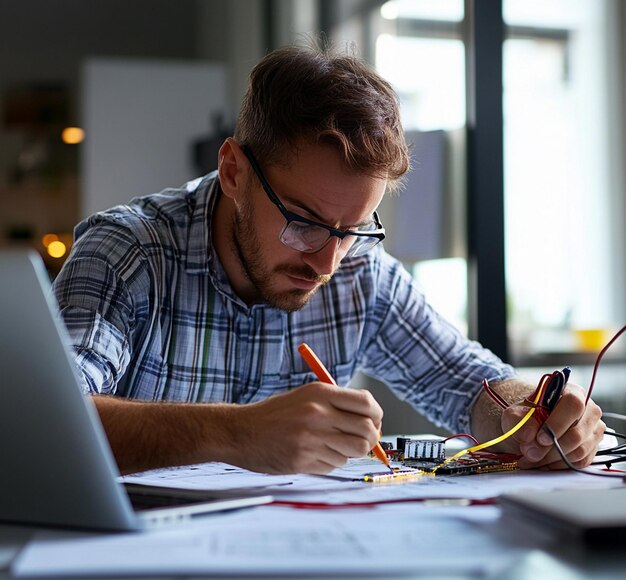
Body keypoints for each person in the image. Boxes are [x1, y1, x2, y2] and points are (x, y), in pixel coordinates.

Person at [53, 43, 605, 476]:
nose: (326, 263)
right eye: (303, 222)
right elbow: (45, 424)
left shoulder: (361, 272)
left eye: (350, 230)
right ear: (233, 171)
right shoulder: (126, 254)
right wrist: (240, 433)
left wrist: (533, 415)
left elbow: (470, 386)